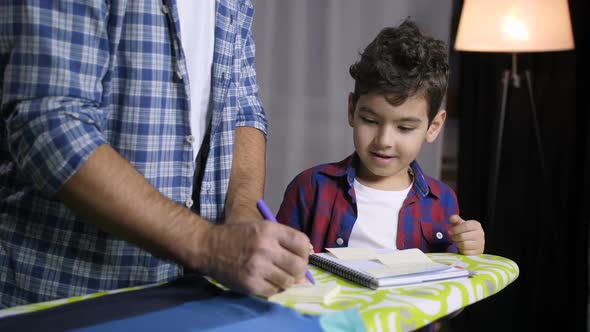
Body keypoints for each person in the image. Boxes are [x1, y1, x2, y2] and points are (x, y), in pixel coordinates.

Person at [0, 0, 312, 308]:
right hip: (65, 293)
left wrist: (243, 214)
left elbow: (243, 109)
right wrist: (210, 245)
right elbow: (50, 125)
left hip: (191, 293)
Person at [276, 19, 485, 256]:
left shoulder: (443, 200)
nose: (384, 140)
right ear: (352, 110)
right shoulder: (310, 187)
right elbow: (273, 265)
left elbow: (446, 282)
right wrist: (286, 255)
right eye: (371, 121)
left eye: (404, 128)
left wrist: (468, 249)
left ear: (433, 126)